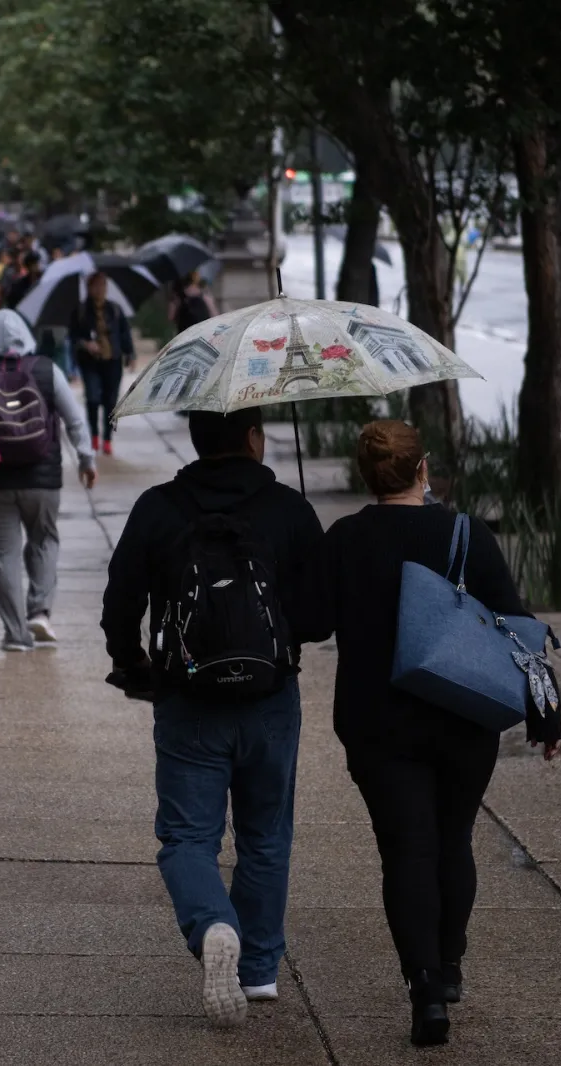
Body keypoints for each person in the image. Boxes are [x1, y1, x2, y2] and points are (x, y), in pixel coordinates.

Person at [297, 420, 561, 1047]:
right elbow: (518, 626)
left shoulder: (345, 538)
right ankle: (448, 966)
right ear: (423, 471)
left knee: (406, 850)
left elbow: (310, 623)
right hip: (463, 714)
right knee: (452, 841)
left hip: (375, 723)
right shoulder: (466, 534)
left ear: (368, 476)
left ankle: (422, 987)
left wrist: (318, 558)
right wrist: (545, 713)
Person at [100, 407, 323, 1028]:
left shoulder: (159, 506)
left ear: (196, 441)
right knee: (266, 837)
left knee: (187, 838)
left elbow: (120, 600)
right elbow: (318, 616)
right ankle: (257, 971)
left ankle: (212, 923)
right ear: (255, 438)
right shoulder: (286, 508)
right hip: (270, 699)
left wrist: (133, 664)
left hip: (188, 700)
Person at [0, 310, 97, 650]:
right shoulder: (47, 370)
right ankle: (40, 610)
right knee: (44, 540)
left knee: (4, 554)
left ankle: (15, 634)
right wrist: (86, 459)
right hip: (42, 478)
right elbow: (75, 419)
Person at [69, 272, 134, 455]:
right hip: (90, 362)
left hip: (112, 360)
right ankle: (94, 434)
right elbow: (73, 337)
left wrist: (130, 354)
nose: (99, 290)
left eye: (103, 286)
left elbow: (124, 333)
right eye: (95, 286)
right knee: (92, 398)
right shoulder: (80, 311)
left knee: (111, 401)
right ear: (89, 288)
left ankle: (107, 438)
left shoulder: (114, 309)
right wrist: (85, 344)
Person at [170, 271, 218, 335]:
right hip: (202, 334)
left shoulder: (178, 296)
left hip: (184, 335)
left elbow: (171, 317)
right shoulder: (205, 295)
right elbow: (215, 316)